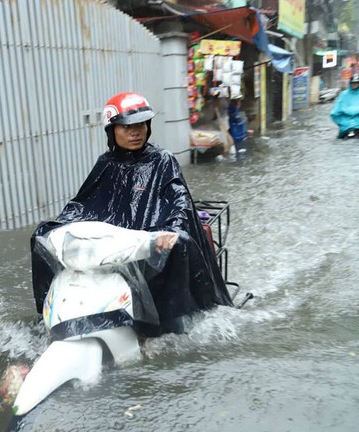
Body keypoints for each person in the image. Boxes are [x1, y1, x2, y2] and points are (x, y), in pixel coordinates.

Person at [30, 92, 233, 336]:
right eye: (127, 127)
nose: (135, 132)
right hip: (117, 247)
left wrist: (171, 232)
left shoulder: (162, 161)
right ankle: (46, 315)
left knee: (177, 246)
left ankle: (168, 328)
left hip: (149, 243)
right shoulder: (106, 164)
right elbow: (83, 205)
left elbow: (178, 202)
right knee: (40, 236)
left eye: (140, 126)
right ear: (112, 131)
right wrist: (58, 226)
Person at [330, 73, 359, 139]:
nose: (354, 85)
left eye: (356, 83)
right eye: (353, 83)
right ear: (350, 83)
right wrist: (335, 113)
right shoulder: (344, 94)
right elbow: (337, 107)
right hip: (346, 122)